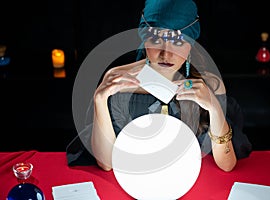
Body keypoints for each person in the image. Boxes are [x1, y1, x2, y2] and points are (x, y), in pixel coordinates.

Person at [66, 0, 252, 172]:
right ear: (144, 39)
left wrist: (214, 107)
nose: (166, 54)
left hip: (190, 181)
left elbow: (227, 165)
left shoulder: (210, 83)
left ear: (191, 44)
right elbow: (107, 164)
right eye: (156, 40)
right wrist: (99, 100)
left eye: (177, 42)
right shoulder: (119, 80)